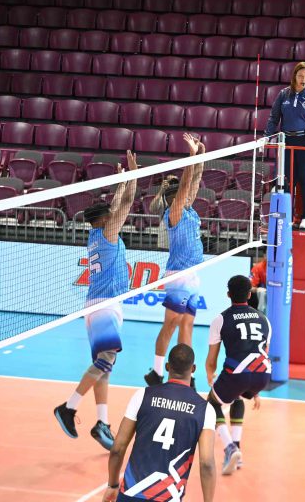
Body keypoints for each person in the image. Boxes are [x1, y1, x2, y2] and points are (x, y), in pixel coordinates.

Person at [54, 150, 139, 450]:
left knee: (104, 366)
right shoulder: (108, 234)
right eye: (109, 214)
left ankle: (102, 422)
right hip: (104, 306)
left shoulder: (97, 235)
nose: (112, 214)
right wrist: (133, 174)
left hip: (98, 306)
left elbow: (118, 204)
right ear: (103, 220)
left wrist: (121, 181)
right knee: (106, 362)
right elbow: (126, 204)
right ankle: (69, 407)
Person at [102, 344, 216, 502]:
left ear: (167, 367)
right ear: (193, 369)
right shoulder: (205, 409)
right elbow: (207, 464)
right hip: (168, 497)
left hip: (131, 494)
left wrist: (113, 485)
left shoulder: (142, 396)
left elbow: (117, 449)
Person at [145, 134, 206, 387]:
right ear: (174, 198)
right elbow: (186, 184)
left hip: (193, 274)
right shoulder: (175, 212)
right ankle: (157, 373)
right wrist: (191, 157)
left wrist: (202, 153)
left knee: (188, 326)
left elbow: (195, 180)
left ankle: (187, 375)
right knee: (170, 325)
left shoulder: (189, 209)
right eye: (183, 194)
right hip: (179, 275)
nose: (189, 194)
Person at [205, 275, 272, 476]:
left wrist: (211, 376)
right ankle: (237, 447)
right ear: (250, 295)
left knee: (211, 404)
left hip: (237, 373)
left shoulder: (221, 319)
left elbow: (212, 360)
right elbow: (264, 352)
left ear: (228, 294)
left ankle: (230, 448)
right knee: (238, 395)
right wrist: (257, 390)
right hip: (263, 374)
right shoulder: (264, 319)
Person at [264, 61, 305, 231]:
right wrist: (267, 136)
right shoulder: (284, 94)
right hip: (286, 142)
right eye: (300, 76)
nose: (303, 79)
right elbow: (273, 118)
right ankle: (286, 216)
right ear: (294, 76)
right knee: (285, 179)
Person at [148, 175, 179, 250]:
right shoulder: (162, 198)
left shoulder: (182, 196)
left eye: (175, 182)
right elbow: (152, 209)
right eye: (170, 182)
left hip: (179, 230)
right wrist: (161, 191)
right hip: (165, 231)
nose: (172, 184)